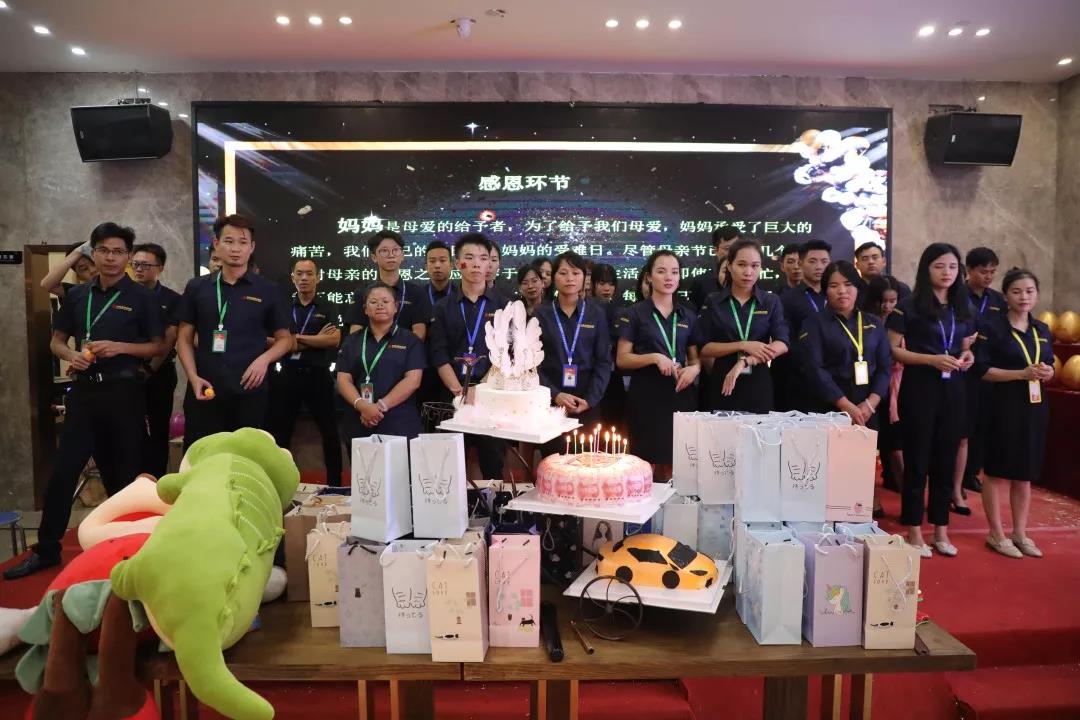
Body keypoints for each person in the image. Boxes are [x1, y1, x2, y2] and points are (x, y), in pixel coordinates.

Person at [5, 223, 165, 579]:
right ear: (94, 252)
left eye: (118, 251)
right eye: (104, 250)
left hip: (124, 395)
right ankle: (47, 550)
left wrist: (120, 347)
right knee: (63, 472)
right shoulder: (77, 295)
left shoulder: (142, 298)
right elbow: (56, 341)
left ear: (127, 257)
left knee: (123, 476)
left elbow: (157, 346)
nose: (111, 257)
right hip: (84, 394)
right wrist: (71, 355)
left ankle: (128, 551)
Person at [886, 243, 976, 558]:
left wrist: (967, 355)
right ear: (927, 269)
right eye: (939, 266)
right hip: (919, 388)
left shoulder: (962, 306)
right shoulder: (908, 307)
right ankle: (914, 530)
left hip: (954, 390)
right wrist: (931, 360)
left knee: (945, 461)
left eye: (952, 266)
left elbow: (965, 344)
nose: (947, 272)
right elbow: (893, 350)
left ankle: (941, 530)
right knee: (917, 462)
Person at [176, 214, 292, 449]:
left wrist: (263, 360)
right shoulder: (197, 287)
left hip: (249, 390)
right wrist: (192, 376)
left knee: (245, 456)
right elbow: (184, 339)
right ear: (216, 244)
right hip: (205, 388)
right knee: (201, 455)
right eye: (229, 241)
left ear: (252, 247)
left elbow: (285, 340)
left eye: (242, 242)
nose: (236, 249)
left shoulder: (268, 290)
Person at [975, 268, 1054, 559]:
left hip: (1034, 406)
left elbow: (1049, 363)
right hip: (1001, 405)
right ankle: (996, 533)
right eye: (1017, 291)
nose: (1024, 297)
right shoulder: (992, 327)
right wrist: (1020, 374)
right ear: (1006, 296)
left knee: (1024, 473)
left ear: (1037, 295)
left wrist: (1048, 372)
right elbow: (981, 370)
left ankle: (1020, 532)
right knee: (997, 471)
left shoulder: (1041, 329)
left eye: (1030, 291)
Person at [429, 233, 508, 479]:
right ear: (457, 263)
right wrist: (459, 391)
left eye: (483, 258)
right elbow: (438, 353)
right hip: (451, 393)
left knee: (492, 464)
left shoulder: (504, 305)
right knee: (449, 466)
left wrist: (480, 389)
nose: (476, 264)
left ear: (490, 264)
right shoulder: (443, 307)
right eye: (469, 258)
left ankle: (494, 504)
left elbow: (506, 353)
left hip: (491, 394)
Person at [618, 250, 700, 479]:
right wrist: (654, 357)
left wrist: (694, 369)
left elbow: (695, 360)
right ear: (649, 276)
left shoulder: (687, 315)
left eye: (674, 272)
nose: (669, 277)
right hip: (647, 395)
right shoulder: (635, 313)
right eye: (661, 271)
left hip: (680, 392)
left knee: (678, 463)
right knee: (645, 464)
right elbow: (622, 359)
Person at [265, 259, 344, 486]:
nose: (304, 278)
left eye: (309, 274)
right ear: (292, 278)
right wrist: (314, 339)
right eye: (299, 274)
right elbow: (269, 340)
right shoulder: (282, 306)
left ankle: (335, 485)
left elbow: (333, 340)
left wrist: (294, 339)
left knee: (330, 432)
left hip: (318, 375)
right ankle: (280, 484)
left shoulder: (328, 307)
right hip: (286, 375)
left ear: (318, 277)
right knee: (281, 433)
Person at [695, 239, 789, 412]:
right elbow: (704, 348)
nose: (748, 272)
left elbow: (782, 343)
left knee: (759, 428)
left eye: (755, 266)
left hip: (758, 380)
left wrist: (745, 361)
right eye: (741, 265)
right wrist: (742, 345)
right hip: (724, 379)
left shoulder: (770, 301)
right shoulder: (714, 301)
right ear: (729, 266)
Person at [536, 252, 612, 454]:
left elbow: (604, 361)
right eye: (563, 273)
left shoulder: (596, 314)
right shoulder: (541, 314)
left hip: (586, 400)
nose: (570, 278)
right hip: (551, 402)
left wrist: (590, 399)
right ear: (553, 277)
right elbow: (532, 365)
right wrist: (555, 394)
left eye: (576, 273)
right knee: (553, 461)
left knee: (585, 461)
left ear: (584, 278)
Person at [801, 261, 891, 422]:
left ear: (857, 287)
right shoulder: (814, 323)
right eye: (834, 286)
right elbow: (814, 368)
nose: (842, 291)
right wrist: (845, 405)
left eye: (848, 284)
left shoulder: (874, 322)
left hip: (867, 408)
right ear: (825, 290)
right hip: (830, 407)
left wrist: (870, 404)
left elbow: (885, 367)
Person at [337, 284, 426, 441]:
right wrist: (363, 406)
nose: (380, 305)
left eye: (385, 301)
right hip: (359, 419)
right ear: (365, 309)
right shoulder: (352, 341)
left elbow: (413, 380)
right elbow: (343, 379)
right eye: (373, 302)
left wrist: (379, 407)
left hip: (399, 422)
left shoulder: (410, 340)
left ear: (396, 307)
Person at [957, 246, 1006, 504]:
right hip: (962, 367)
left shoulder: (997, 300)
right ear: (969, 270)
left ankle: (972, 473)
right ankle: (956, 478)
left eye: (992, 272)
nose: (988, 276)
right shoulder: (957, 295)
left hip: (988, 368)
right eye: (983, 271)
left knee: (983, 423)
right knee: (962, 425)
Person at [130, 242, 182, 479]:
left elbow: (169, 339)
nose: (139, 269)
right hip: (127, 372)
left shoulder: (172, 299)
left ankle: (156, 482)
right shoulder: (125, 294)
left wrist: (150, 370)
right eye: (135, 264)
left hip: (159, 373)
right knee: (131, 430)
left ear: (160, 268)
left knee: (158, 430)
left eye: (145, 265)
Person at [776, 239, 831, 410]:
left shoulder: (835, 295)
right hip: (801, 378)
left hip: (834, 375)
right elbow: (787, 339)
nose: (819, 267)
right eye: (813, 261)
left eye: (824, 261)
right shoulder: (787, 299)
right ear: (800, 264)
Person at [864, 275, 905, 496]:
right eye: (883, 301)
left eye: (893, 301)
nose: (888, 306)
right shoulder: (865, 320)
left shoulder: (900, 319)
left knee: (896, 441)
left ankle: (903, 485)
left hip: (896, 387)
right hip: (869, 386)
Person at [343, 230, 425, 339]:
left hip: (405, 348)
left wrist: (401, 348)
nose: (391, 255)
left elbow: (419, 333)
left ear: (402, 255)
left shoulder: (416, 292)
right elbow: (355, 333)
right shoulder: (362, 293)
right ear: (374, 257)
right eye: (384, 251)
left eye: (395, 250)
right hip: (371, 349)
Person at [591, 263, 627, 427]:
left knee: (614, 424)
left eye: (611, 284)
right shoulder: (585, 309)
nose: (607, 288)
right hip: (591, 375)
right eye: (602, 283)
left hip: (614, 375)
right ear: (593, 284)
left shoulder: (622, 311)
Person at [688, 227, 740, 310]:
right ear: (715, 250)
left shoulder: (749, 279)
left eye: (737, 248)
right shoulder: (701, 282)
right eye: (727, 248)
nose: (733, 253)